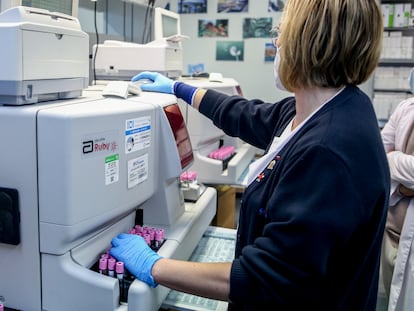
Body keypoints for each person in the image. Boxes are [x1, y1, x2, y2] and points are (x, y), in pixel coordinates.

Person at [110, 0, 390, 309]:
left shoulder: (329, 150)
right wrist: (180, 89)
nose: (277, 45)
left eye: (279, 35)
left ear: (304, 42)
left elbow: (265, 278)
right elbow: (248, 115)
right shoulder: (330, 108)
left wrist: (154, 266)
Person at [381, 68, 414, 311]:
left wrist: (393, 158)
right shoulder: (406, 108)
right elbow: (378, 156)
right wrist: (404, 188)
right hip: (390, 235)